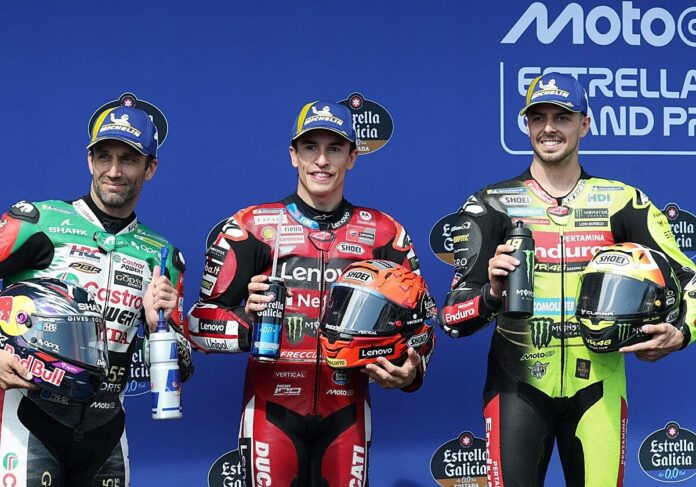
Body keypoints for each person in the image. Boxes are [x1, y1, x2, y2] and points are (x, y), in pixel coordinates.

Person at [441, 72, 696, 487]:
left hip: (599, 386)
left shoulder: (622, 201)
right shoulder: (491, 204)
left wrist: (682, 333)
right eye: (538, 117)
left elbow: (690, 279)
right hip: (516, 388)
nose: (549, 128)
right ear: (527, 125)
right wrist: (491, 294)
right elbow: (452, 317)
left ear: (585, 124)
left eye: (562, 117)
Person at [187, 100, 434, 486]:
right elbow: (197, 323)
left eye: (334, 148)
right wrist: (247, 325)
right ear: (293, 155)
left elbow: (421, 322)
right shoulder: (252, 226)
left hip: (347, 410)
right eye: (310, 148)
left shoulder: (385, 232)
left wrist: (411, 370)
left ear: (352, 157)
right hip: (271, 410)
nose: (321, 160)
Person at [0, 105, 193, 486]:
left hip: (106, 432)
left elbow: (180, 369)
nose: (114, 171)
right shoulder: (38, 222)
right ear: (90, 161)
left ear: (150, 168)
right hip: (31, 418)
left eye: (128, 159)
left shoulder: (162, 255)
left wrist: (161, 328)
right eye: (104, 157)